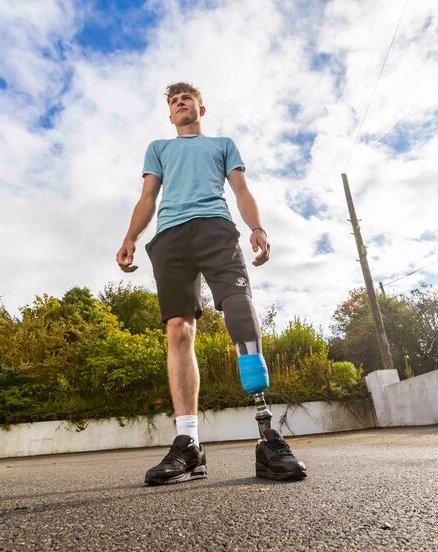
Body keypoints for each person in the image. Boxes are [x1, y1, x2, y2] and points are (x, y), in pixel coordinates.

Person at [116, 82, 306, 485]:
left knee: (238, 307)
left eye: (186, 98)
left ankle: (266, 434)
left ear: (202, 107)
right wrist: (130, 237)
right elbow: (148, 197)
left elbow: (241, 188)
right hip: (170, 238)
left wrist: (257, 226)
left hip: (215, 229)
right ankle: (188, 445)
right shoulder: (159, 149)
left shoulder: (222, 144)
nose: (180, 103)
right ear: (170, 115)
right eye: (173, 101)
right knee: (178, 330)